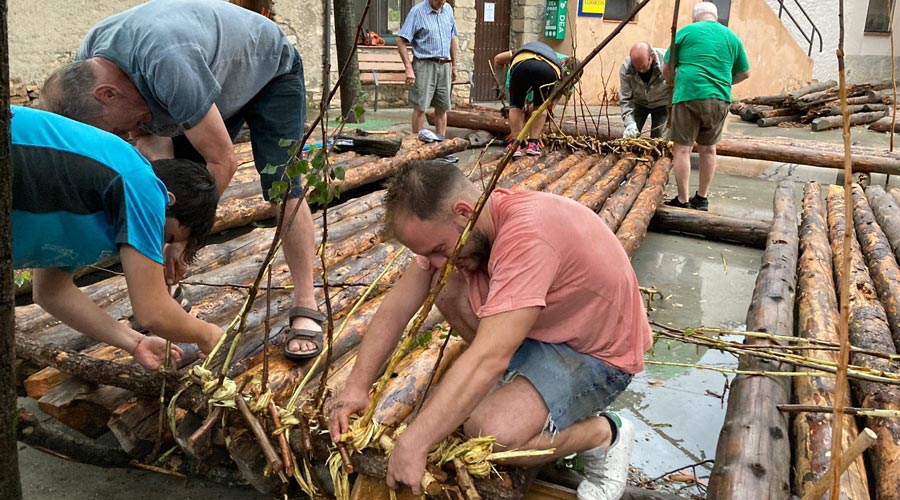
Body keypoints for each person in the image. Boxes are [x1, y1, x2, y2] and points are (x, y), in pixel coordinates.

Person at [328, 161, 652, 500]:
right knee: (443, 280)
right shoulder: (462, 228)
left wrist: (415, 441)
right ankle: (518, 386)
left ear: (464, 212)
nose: (437, 260)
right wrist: (356, 387)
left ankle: (606, 434)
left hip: (595, 354)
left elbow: (489, 357)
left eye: (439, 249)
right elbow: (396, 308)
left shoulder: (527, 237)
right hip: (542, 331)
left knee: (492, 433)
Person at [40, 0, 325, 361]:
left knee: (281, 185)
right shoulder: (88, 67)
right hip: (200, 79)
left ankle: (306, 300)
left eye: (114, 130)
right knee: (172, 184)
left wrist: (186, 238)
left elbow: (223, 160)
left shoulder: (169, 63)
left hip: (268, 72)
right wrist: (163, 233)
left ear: (107, 94)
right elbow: (158, 167)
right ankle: (168, 296)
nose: (122, 136)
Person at [11, 105, 222, 370]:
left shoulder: (97, 206)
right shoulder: (143, 185)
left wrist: (135, 343)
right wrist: (209, 335)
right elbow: (153, 312)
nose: (156, 244)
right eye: (166, 235)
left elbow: (52, 293)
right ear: (168, 199)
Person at [662, 2, 749, 211]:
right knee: (709, 149)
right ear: (715, 17)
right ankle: (702, 198)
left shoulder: (686, 32)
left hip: (688, 94)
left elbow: (667, 68)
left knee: (682, 148)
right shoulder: (732, 37)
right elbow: (745, 73)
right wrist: (724, 83)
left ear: (694, 18)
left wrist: (674, 83)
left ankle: (683, 199)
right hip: (719, 98)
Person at [493, 42, 579, 157]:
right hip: (548, 70)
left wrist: (500, 86)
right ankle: (533, 144)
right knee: (540, 106)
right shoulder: (563, 69)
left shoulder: (525, 51)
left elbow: (498, 58)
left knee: (516, 106)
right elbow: (548, 103)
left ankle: (515, 145)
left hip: (521, 67)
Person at [397, 0, 459, 137]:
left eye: (444, 0)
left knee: (442, 108)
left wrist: (454, 65)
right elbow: (401, 41)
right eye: (439, 0)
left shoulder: (448, 9)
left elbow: (452, 38)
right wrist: (408, 68)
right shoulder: (417, 12)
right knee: (420, 108)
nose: (442, 3)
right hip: (424, 65)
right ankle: (417, 144)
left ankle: (441, 143)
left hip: (445, 65)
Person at [619, 42, 670, 139]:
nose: (640, 71)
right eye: (636, 68)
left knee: (659, 139)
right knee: (630, 137)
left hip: (662, 104)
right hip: (638, 103)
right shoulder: (626, 67)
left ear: (652, 57)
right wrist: (629, 123)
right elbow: (625, 98)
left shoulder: (667, 61)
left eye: (642, 67)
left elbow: (676, 86)